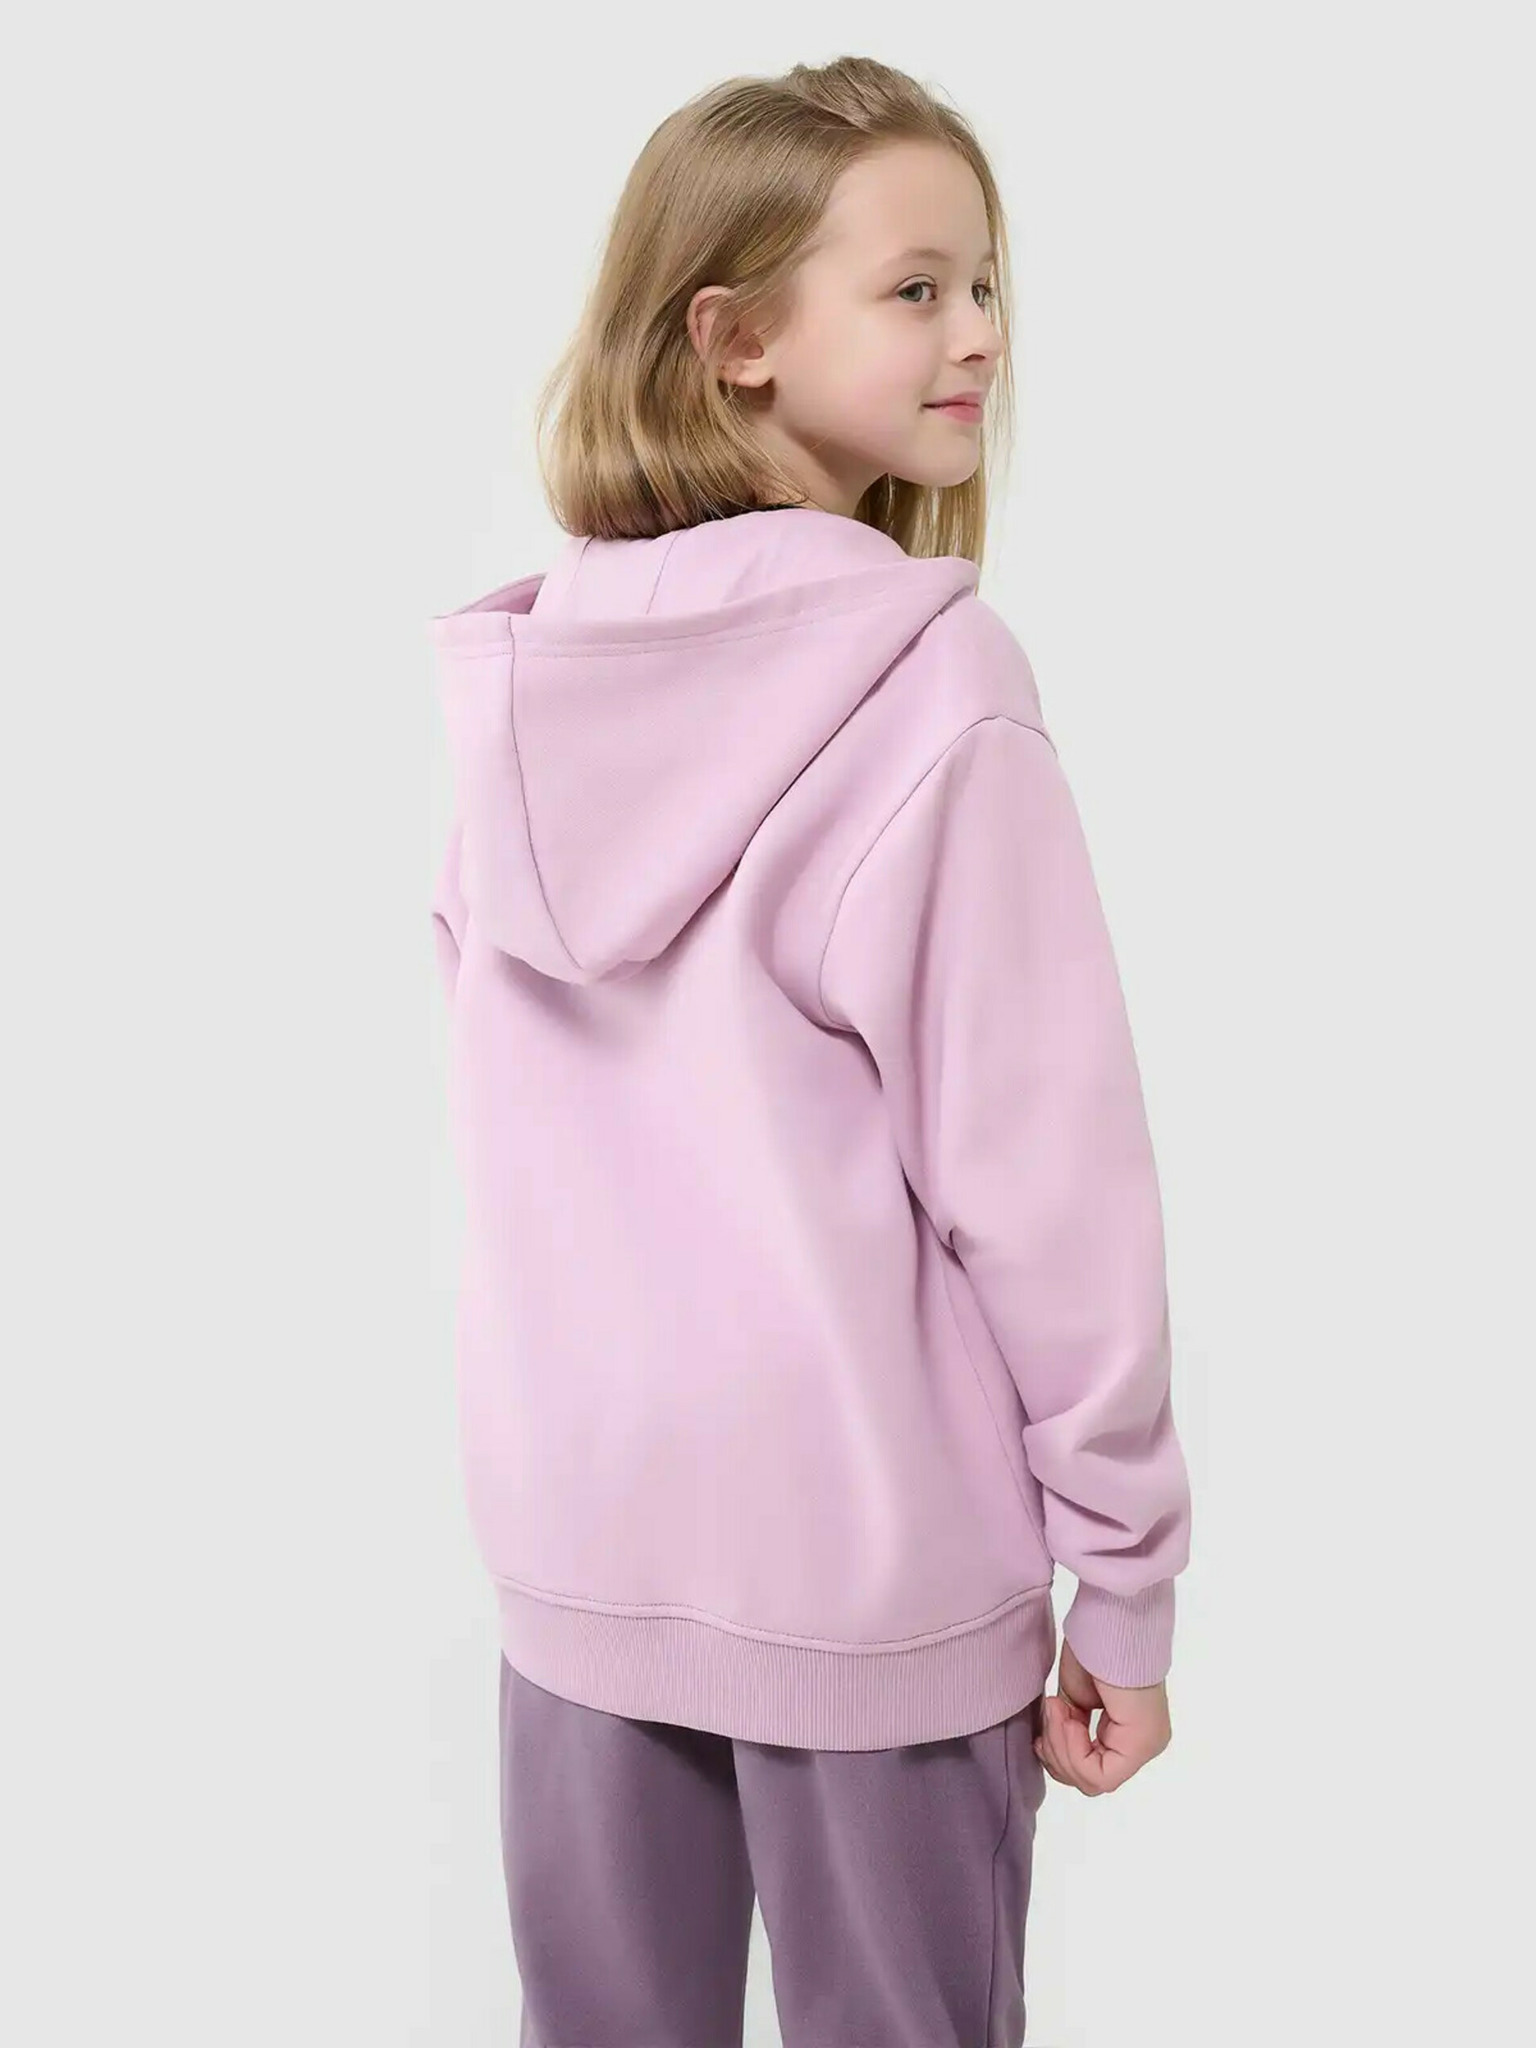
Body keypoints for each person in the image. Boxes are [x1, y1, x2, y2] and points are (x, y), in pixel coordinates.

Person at [429, 52, 1194, 2048]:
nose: (982, 334)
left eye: (987, 283)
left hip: (581, 1543)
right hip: (872, 1571)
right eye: (917, 288)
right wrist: (1123, 1579)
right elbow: (1046, 1185)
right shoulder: (932, 682)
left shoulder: (530, 681)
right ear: (736, 338)